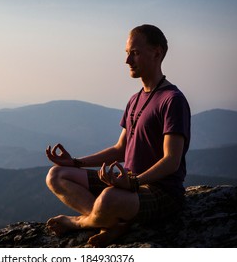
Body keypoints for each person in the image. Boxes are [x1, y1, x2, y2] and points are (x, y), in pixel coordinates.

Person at [45, 24, 191, 247]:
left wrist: (133, 182)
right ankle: (111, 221)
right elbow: (120, 149)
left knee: (109, 198)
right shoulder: (135, 99)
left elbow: (172, 161)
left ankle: (79, 222)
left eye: (135, 53)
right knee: (57, 175)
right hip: (128, 184)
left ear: (157, 53)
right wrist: (75, 162)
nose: (127, 61)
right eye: (127, 54)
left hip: (160, 191)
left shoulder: (172, 100)